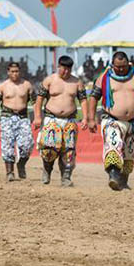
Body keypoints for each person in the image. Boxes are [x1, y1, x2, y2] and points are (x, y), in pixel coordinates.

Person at [87, 51, 134, 191]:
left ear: (128, 64)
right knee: (113, 145)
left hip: (132, 121)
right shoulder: (105, 77)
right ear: (112, 65)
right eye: (117, 67)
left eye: (123, 66)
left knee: (129, 152)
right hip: (112, 119)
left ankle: (123, 181)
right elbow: (94, 97)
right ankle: (113, 176)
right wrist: (91, 118)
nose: (120, 69)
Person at [33, 56, 89, 187]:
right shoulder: (49, 80)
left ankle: (66, 177)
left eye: (68, 69)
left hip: (69, 119)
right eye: (63, 68)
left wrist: (85, 117)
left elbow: (83, 100)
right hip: (51, 118)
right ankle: (47, 170)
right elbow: (39, 99)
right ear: (59, 67)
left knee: (69, 150)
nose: (66, 72)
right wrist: (37, 117)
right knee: (49, 148)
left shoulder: (77, 82)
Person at [0, 62, 34, 182]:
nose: (15, 74)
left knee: (28, 144)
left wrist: (38, 117)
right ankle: (10, 172)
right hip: (7, 117)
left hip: (23, 117)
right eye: (12, 71)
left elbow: (35, 102)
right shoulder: (2, 86)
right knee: (7, 144)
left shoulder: (27, 85)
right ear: (8, 72)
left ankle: (21, 164)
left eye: (17, 71)